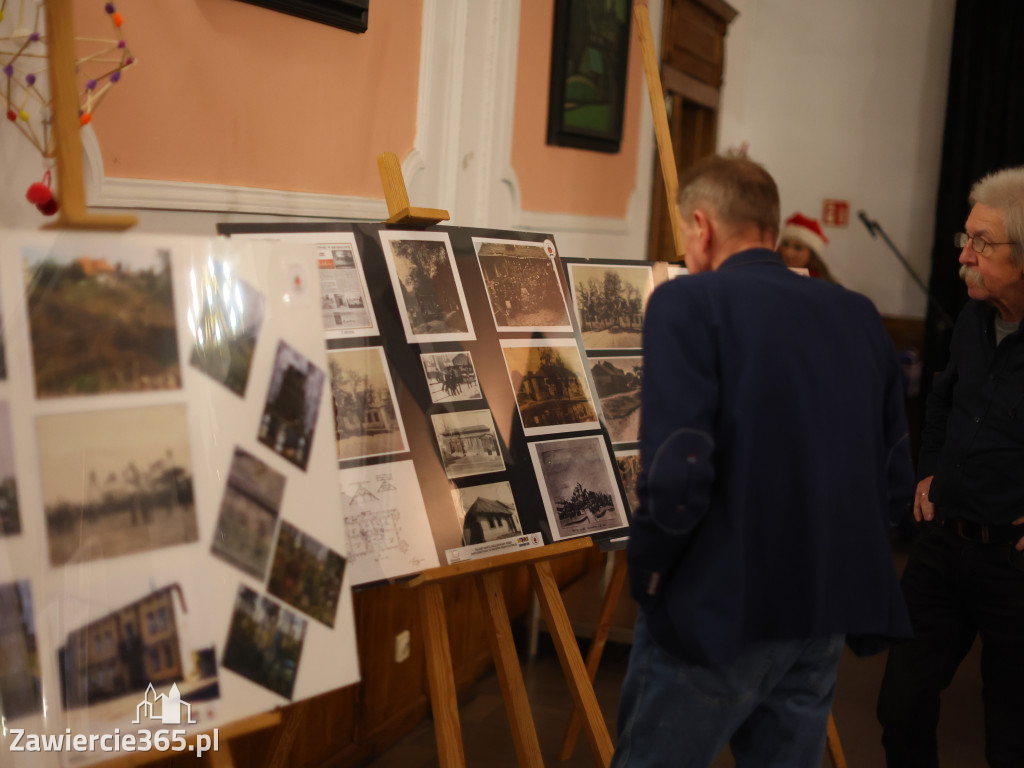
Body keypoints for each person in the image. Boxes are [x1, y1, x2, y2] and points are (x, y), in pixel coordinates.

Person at [612, 154, 915, 768]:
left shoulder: (686, 303)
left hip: (720, 600)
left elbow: (678, 471)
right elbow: (893, 473)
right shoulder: (857, 315)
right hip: (822, 607)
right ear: (770, 229)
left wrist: (645, 573)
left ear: (702, 227)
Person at [877, 166, 1024, 768]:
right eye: (966, 238)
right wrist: (928, 468)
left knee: (1010, 739)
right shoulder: (971, 317)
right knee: (899, 706)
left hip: (1014, 564)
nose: (965, 254)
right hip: (943, 543)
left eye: (982, 242)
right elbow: (941, 398)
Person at [778, 211, 837, 282]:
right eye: (785, 244)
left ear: (812, 254)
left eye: (798, 247)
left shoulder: (822, 285)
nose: (788, 253)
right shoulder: (773, 274)